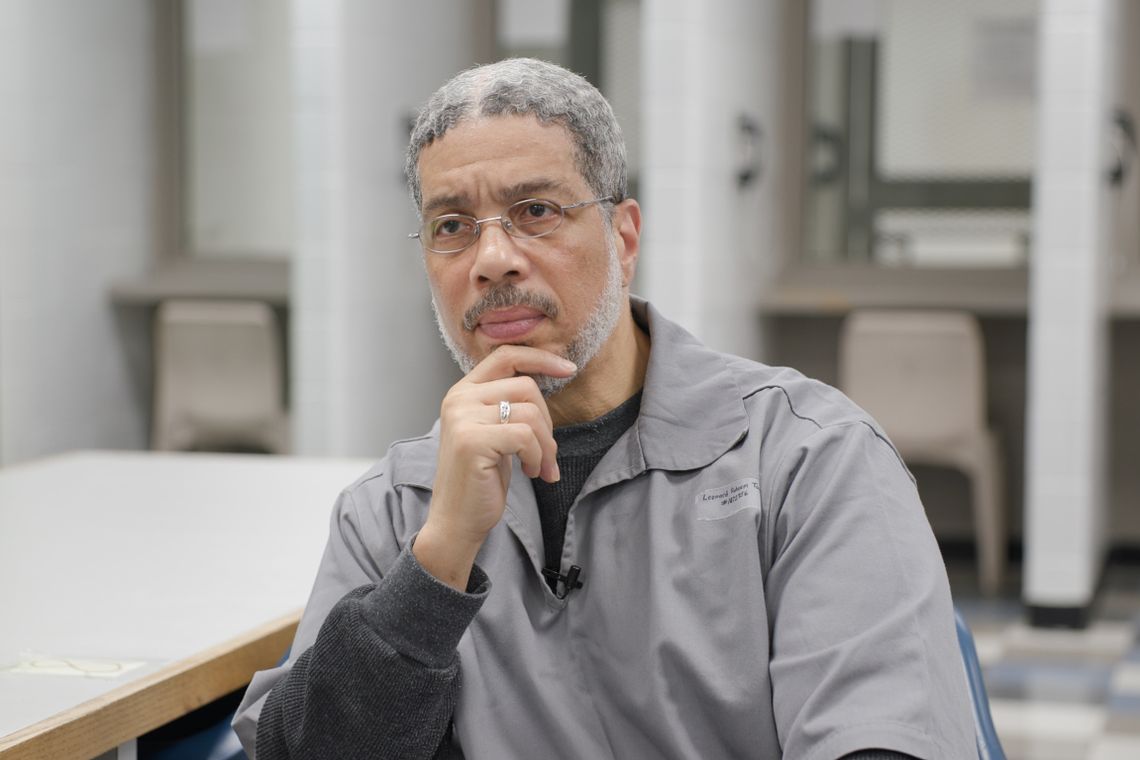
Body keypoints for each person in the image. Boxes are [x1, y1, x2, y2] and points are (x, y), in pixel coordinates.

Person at [233, 58, 976, 759]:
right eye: (452, 226)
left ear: (624, 239)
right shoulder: (397, 509)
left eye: (535, 210)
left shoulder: (808, 461)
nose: (492, 258)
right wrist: (439, 559)